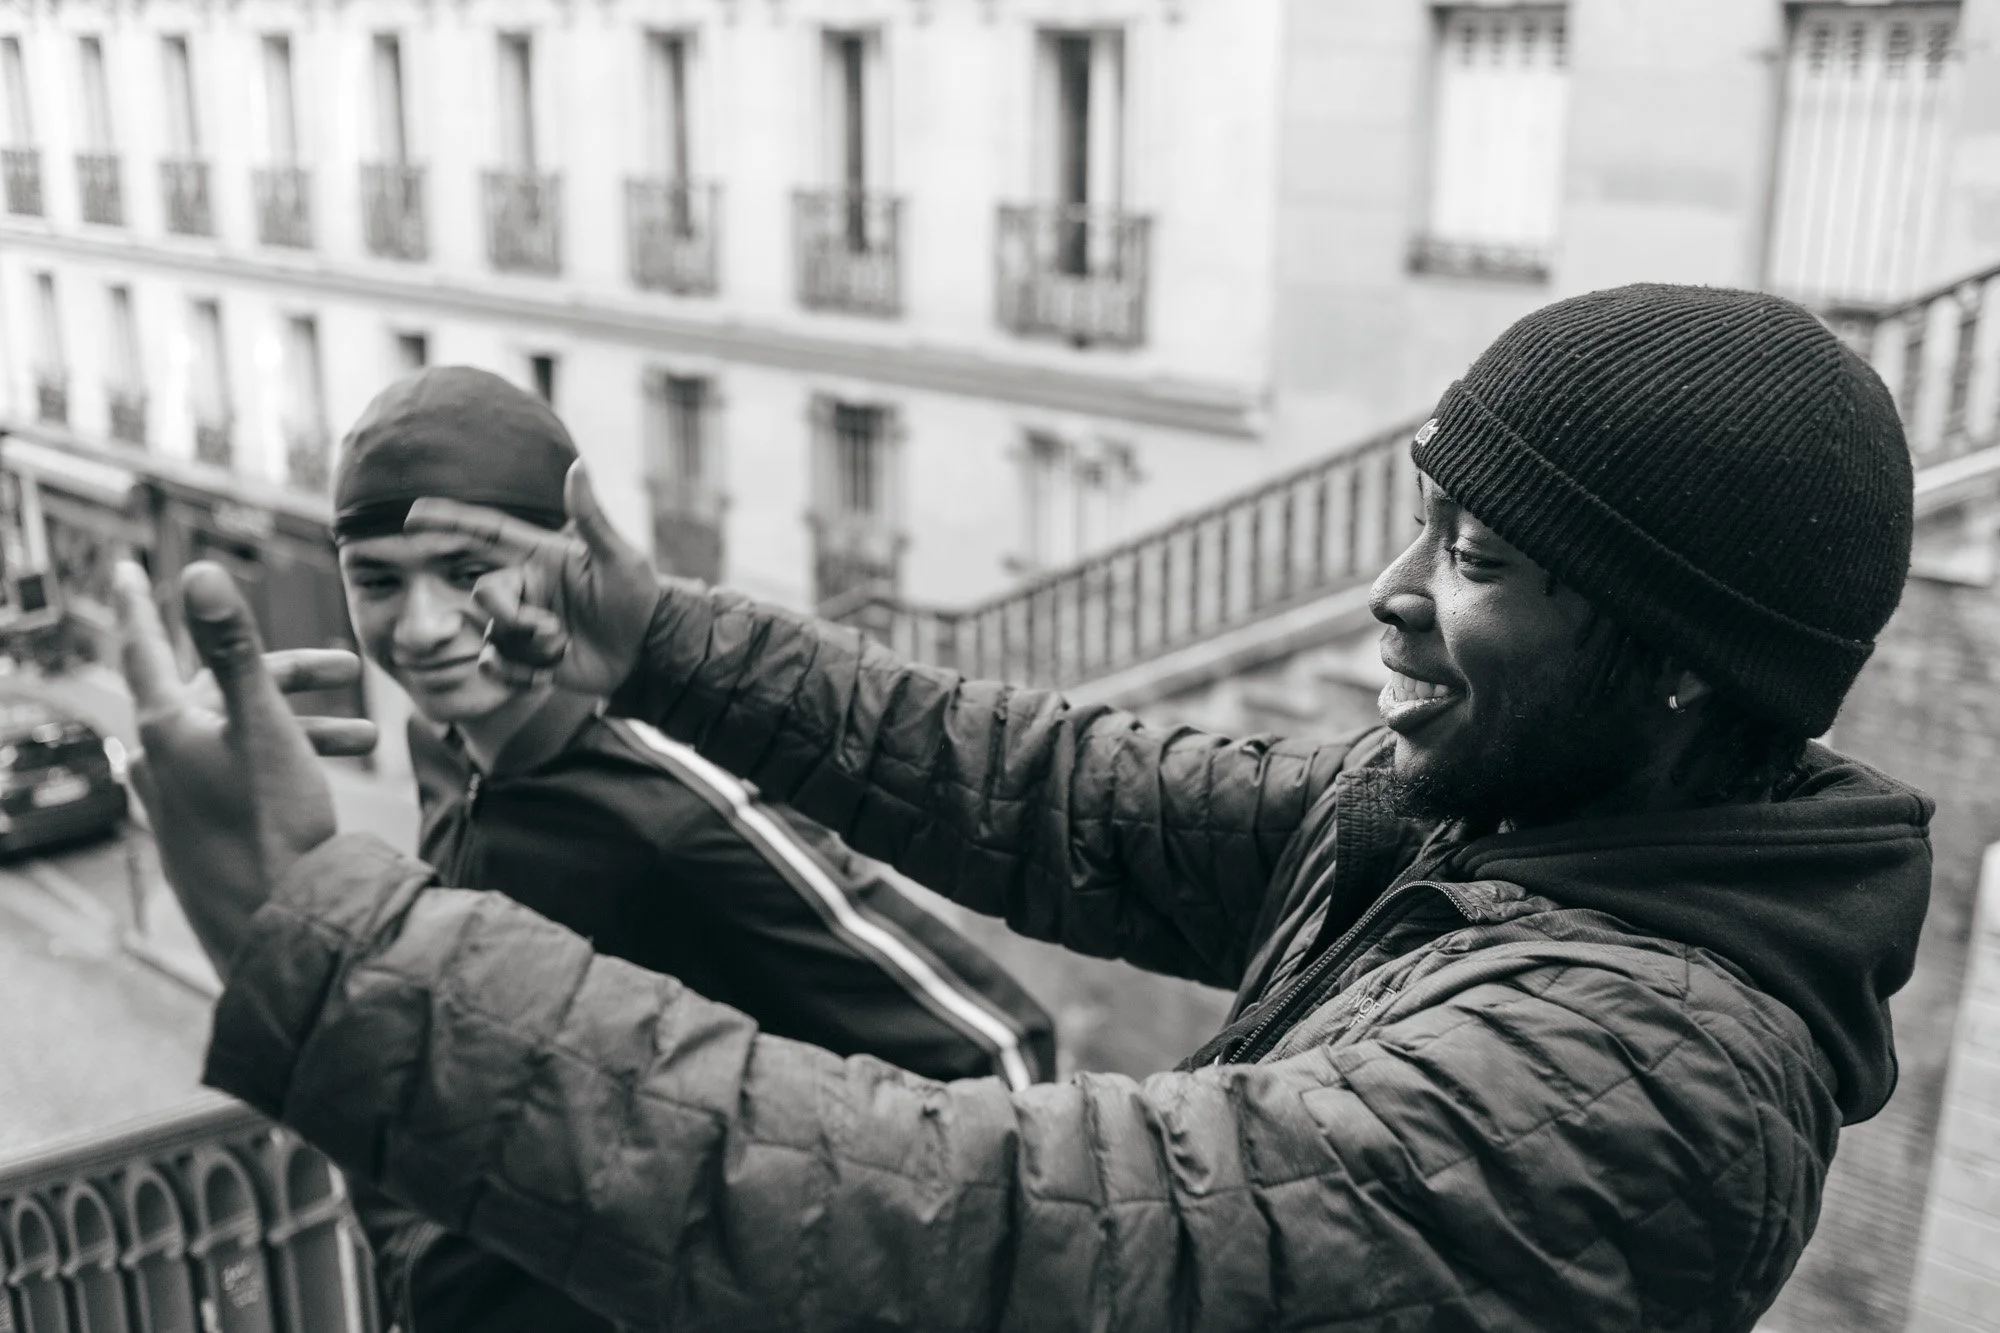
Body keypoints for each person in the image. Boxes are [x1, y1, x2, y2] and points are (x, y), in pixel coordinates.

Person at [121, 284, 1933, 1331]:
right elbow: (1062, 788)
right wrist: (657, 637)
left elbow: (986, 1223)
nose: (1385, 593)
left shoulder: (1632, 1083)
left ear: (1680, 662)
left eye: (1471, 556)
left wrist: (335, 939)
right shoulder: (1495, 829)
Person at [182, 365, 1058, 1332]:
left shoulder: (671, 817)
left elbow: (1001, 1059)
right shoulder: (441, 749)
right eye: (378, 581)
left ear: (561, 556)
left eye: (468, 572)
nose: (424, 626)